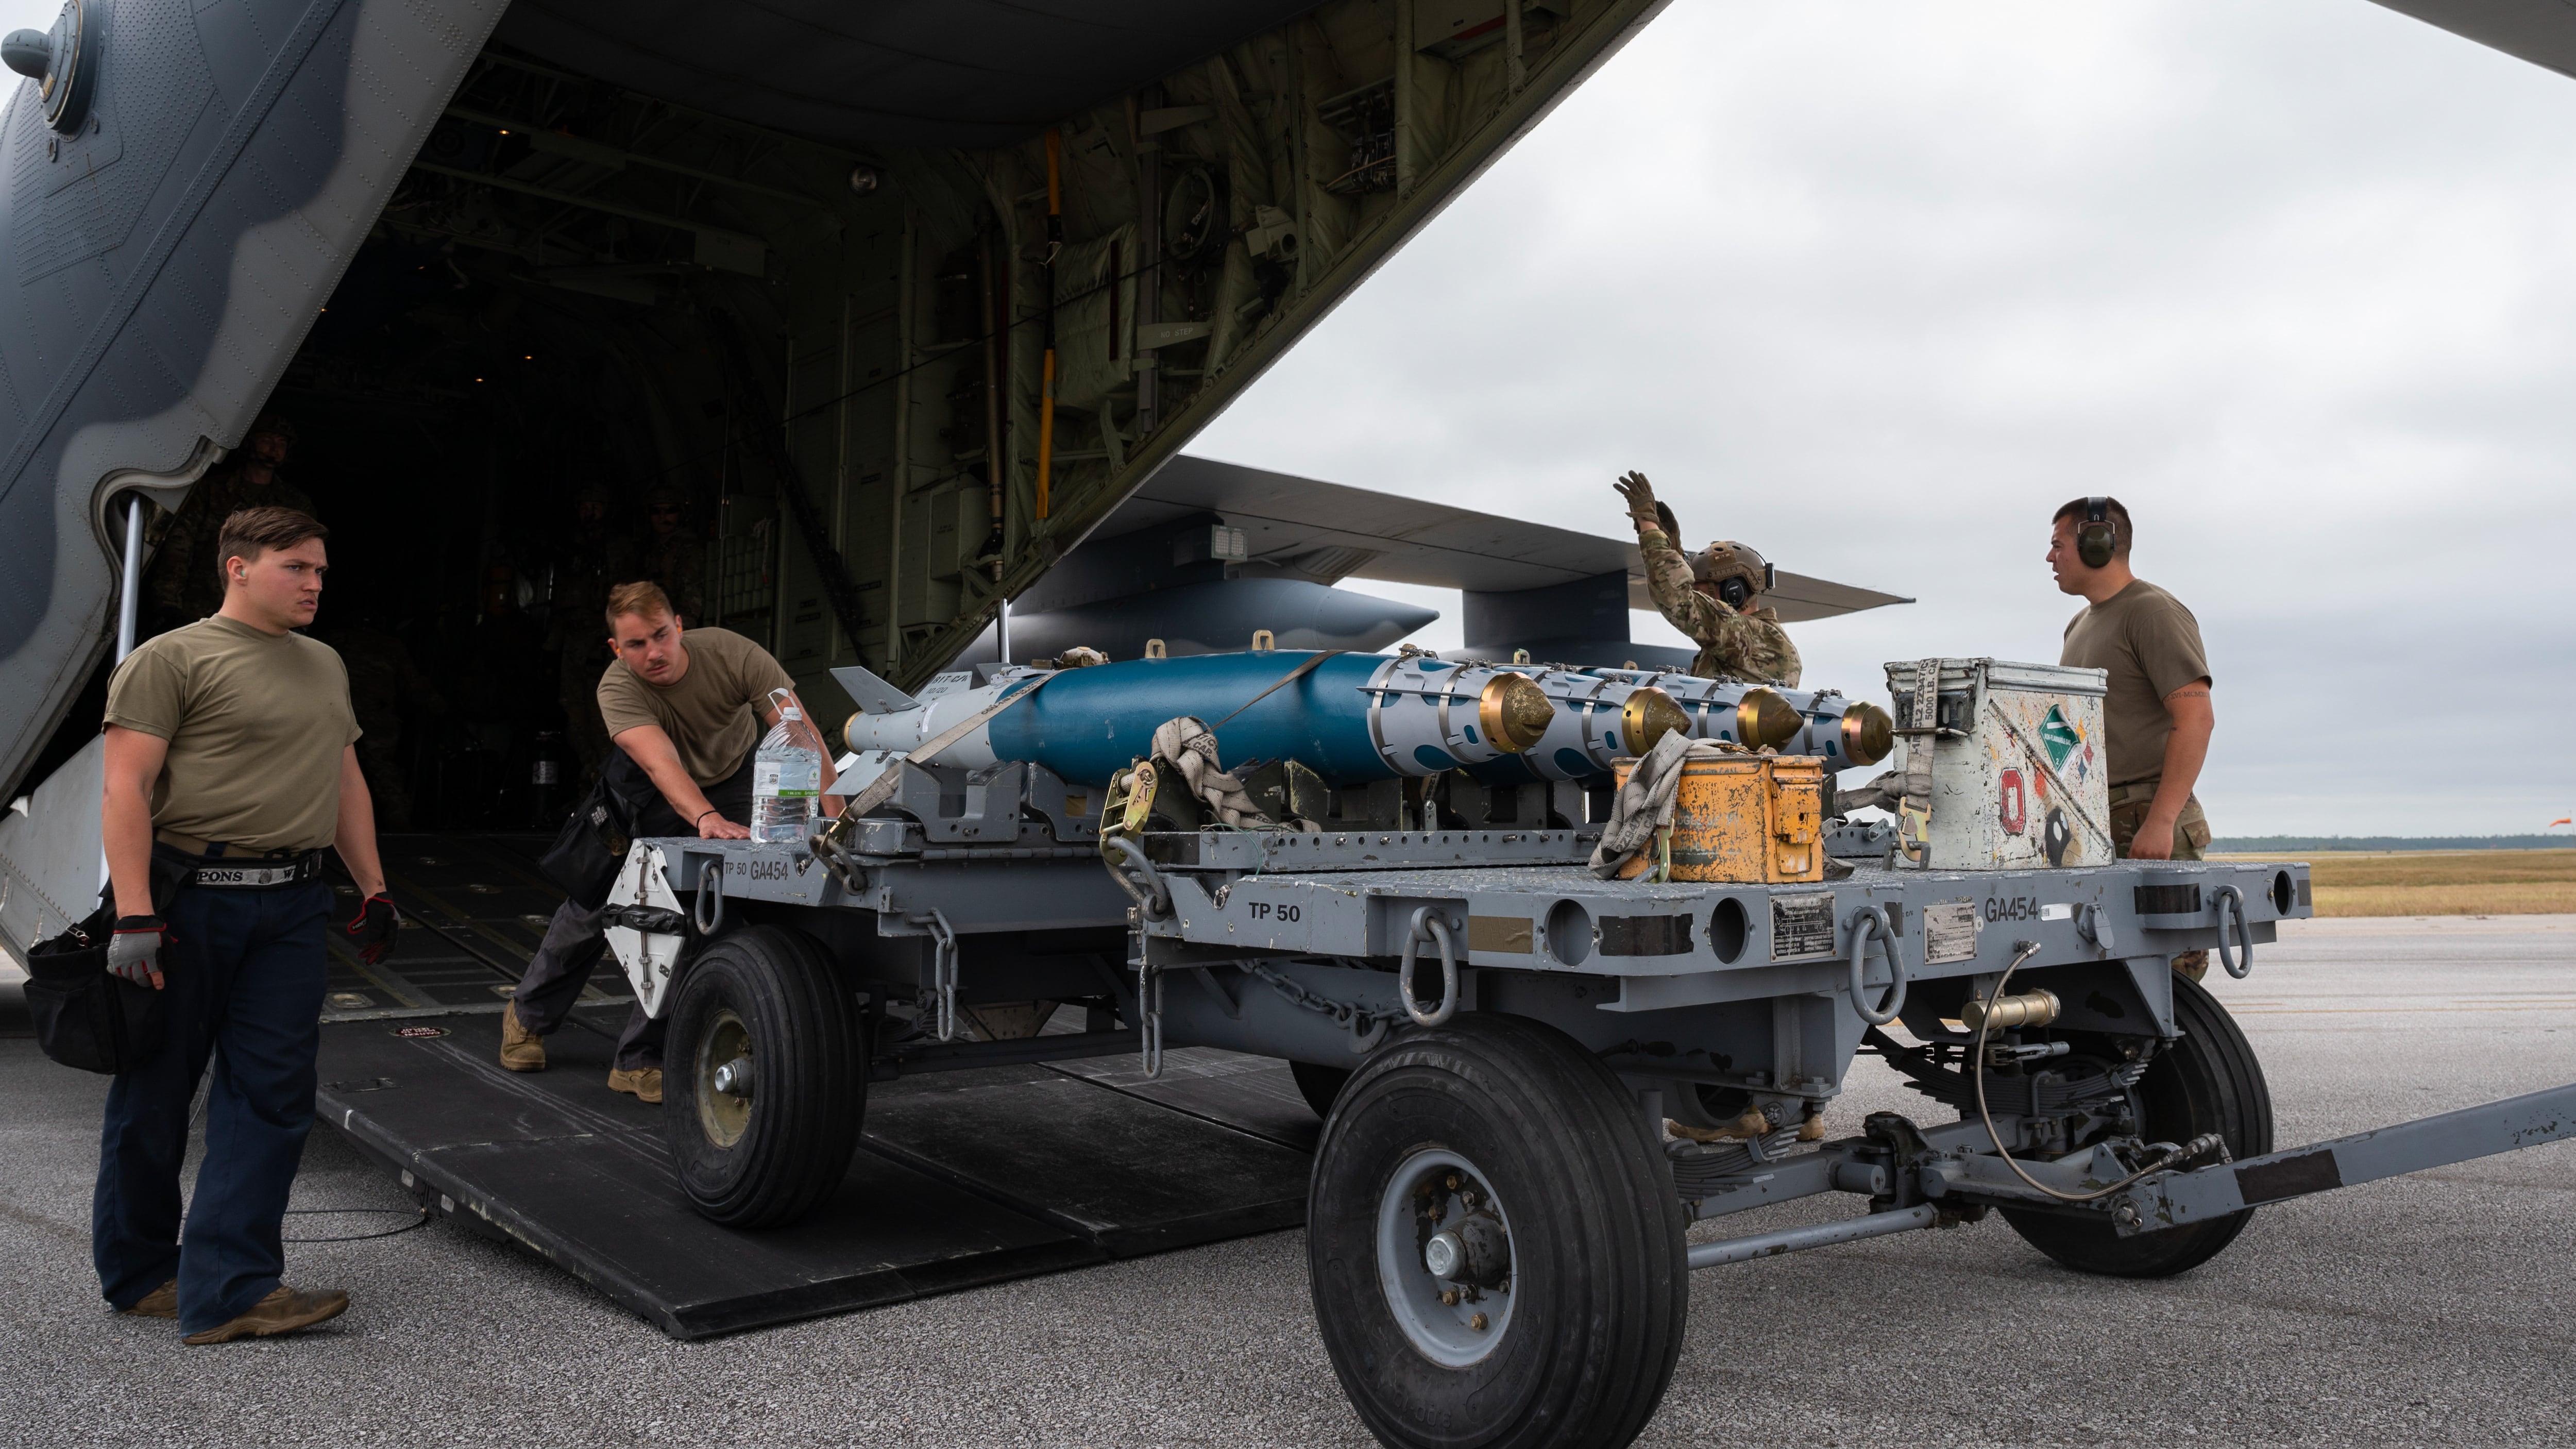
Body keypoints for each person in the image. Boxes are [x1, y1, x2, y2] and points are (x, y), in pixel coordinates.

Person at [95, 506, 401, 1343]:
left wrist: (372, 886)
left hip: (293, 905)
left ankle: (229, 1286)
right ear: (238, 567)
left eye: (321, 571)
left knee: (270, 1091)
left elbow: (344, 781)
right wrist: (134, 913)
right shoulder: (171, 660)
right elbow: (125, 789)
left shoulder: (324, 664)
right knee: (156, 1089)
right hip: (192, 898)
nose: (314, 583)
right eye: (296, 567)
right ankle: (143, 1271)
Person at [498, 581, 837, 1100]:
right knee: (598, 906)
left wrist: (837, 823)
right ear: (617, 649)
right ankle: (528, 1015)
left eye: (660, 635)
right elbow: (660, 763)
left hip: (732, 779)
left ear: (679, 625)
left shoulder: (735, 654)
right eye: (636, 645)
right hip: (644, 787)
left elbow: (803, 735)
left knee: (696, 915)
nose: (653, 652)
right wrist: (704, 817)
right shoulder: (617, 688)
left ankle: (639, 1058)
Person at [2048, 497, 2215, 976]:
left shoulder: (2154, 612)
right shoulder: (2080, 625)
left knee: (2168, 980)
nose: (2050, 558)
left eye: (2058, 545)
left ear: (2097, 545)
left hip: (2146, 817)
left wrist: (2161, 822)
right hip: (2097, 822)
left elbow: (2196, 719)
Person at [1612, 470, 1801, 686]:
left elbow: (1677, 600)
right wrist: (1673, 550)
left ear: (1734, 592)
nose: (1699, 597)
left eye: (1703, 591)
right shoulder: (1749, 638)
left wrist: (1650, 529)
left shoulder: (1754, 638)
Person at [144, 415, 311, 630]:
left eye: (281, 443)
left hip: (265, 613)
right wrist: (168, 604)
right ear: (250, 442)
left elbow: (304, 561)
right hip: (202, 606)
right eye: (267, 439)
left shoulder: (294, 504)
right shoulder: (211, 491)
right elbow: (179, 549)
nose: (274, 448)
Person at [546, 484, 639, 778]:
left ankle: (609, 788)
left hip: (603, 641)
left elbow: (625, 599)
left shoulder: (618, 547)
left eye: (596, 505)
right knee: (574, 714)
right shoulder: (571, 546)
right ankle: (590, 783)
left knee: (604, 715)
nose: (590, 512)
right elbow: (561, 601)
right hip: (573, 640)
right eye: (584, 505)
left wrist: (608, 640)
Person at [636, 487, 707, 627]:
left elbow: (693, 596)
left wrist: (680, 628)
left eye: (670, 511)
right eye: (656, 511)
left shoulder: (689, 548)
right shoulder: (644, 549)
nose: (663, 517)